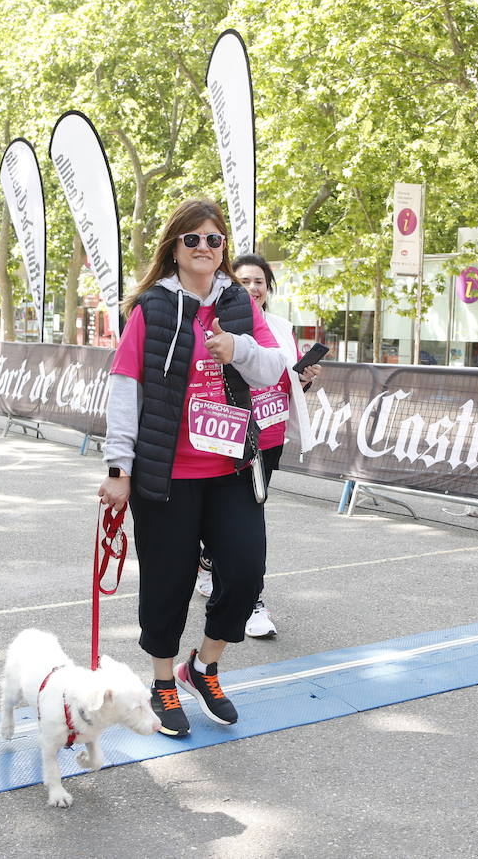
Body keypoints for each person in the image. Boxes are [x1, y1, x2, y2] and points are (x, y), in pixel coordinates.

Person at [97, 198, 287, 737]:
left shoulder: (238, 305)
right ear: (174, 247)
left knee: (246, 571)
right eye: (193, 240)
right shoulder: (152, 308)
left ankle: (202, 666)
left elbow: (275, 367)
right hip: (167, 473)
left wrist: (239, 348)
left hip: (230, 469)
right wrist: (118, 468)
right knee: (167, 582)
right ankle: (162, 681)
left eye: (215, 240)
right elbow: (124, 389)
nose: (205, 248)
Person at [196, 253, 321, 639]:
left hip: (267, 436)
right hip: (227, 435)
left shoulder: (281, 327)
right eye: (245, 281)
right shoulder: (216, 321)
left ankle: (238, 588)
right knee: (230, 519)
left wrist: (305, 378)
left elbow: (287, 383)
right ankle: (232, 583)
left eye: (259, 282)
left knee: (247, 518)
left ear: (268, 288)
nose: (253, 288)